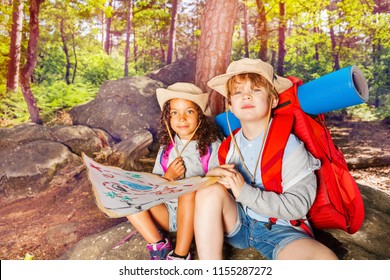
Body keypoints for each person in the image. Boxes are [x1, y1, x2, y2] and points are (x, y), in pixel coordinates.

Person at [194, 58, 338, 260]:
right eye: (237, 92)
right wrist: (212, 178)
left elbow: (298, 206)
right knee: (207, 192)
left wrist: (245, 192)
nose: (246, 96)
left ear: (273, 100)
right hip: (239, 223)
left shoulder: (290, 145)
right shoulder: (229, 146)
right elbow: (220, 197)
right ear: (230, 105)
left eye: (256, 90)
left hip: (281, 229)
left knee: (324, 261)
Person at [127, 82, 222, 260]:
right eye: (174, 113)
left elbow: (218, 184)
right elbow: (154, 185)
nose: (182, 118)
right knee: (129, 195)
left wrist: (198, 181)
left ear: (200, 116)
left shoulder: (211, 146)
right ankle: (159, 246)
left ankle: (180, 254)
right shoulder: (167, 148)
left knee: (188, 191)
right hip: (167, 213)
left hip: (197, 216)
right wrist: (167, 177)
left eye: (189, 111)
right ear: (168, 118)